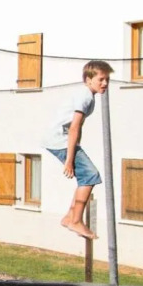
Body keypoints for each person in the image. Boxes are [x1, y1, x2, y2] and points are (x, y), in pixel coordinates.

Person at [46, 60, 112, 241]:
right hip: (60, 140)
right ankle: (75, 220)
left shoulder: (87, 96)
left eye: (107, 79)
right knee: (90, 176)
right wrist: (69, 160)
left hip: (61, 139)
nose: (105, 83)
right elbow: (74, 127)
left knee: (86, 176)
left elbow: (78, 128)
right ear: (88, 79)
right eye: (101, 79)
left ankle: (70, 216)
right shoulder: (85, 97)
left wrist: (76, 149)